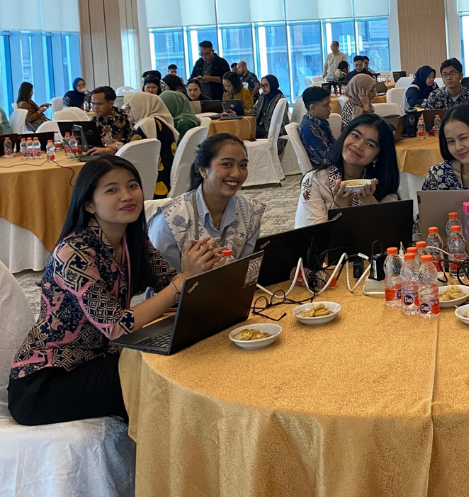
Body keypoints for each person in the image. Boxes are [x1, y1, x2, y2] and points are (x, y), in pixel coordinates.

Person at [7, 156, 220, 425]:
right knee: (160, 379)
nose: (127, 195)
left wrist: (200, 270)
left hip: (97, 359)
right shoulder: (73, 252)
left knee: (183, 355)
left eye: (132, 185)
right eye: (112, 190)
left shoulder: (133, 240)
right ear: (89, 204)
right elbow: (117, 326)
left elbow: (173, 289)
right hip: (46, 382)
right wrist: (184, 281)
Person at [148, 133, 266, 271]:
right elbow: (158, 278)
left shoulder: (251, 211)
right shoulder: (169, 220)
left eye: (243, 165)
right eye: (226, 164)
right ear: (203, 169)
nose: (237, 173)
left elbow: (248, 270)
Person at [296, 113, 400, 227]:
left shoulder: (381, 185)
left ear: (377, 156)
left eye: (370, 144)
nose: (358, 145)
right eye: (355, 135)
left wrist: (369, 202)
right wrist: (339, 203)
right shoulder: (315, 181)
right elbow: (315, 235)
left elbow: (391, 232)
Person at [299, 86, 334, 167]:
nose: (330, 108)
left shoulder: (320, 122)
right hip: (326, 170)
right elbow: (326, 159)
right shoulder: (309, 128)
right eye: (326, 105)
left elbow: (333, 145)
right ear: (313, 108)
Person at [253, 74, 287, 142]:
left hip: (270, 129)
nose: (263, 88)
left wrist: (272, 134)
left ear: (273, 85)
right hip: (260, 126)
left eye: (266, 85)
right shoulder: (263, 96)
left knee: (251, 129)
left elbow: (282, 120)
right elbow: (256, 110)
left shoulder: (280, 99)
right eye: (262, 85)